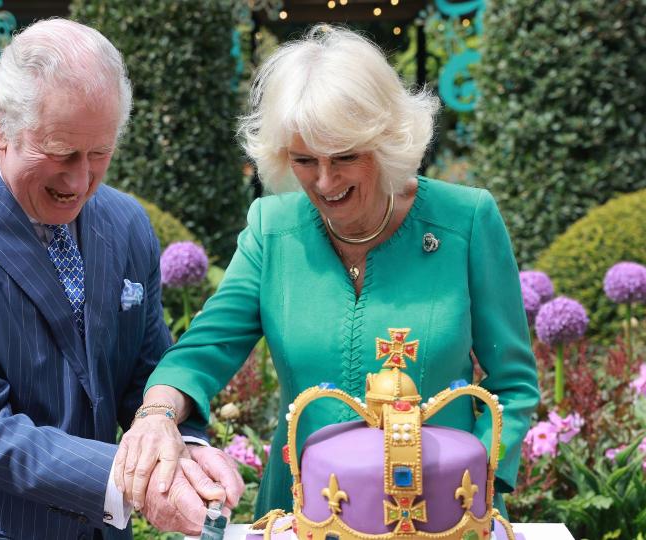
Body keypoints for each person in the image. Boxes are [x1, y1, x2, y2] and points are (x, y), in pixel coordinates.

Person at [115, 25, 540, 519]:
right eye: (303, 160)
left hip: (443, 514)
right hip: (308, 513)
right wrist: (156, 415)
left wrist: (480, 475)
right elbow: (202, 351)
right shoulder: (272, 230)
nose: (324, 181)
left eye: (345, 157)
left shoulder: (465, 220)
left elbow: (512, 384)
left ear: (383, 141)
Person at [0, 18, 240, 539]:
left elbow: (146, 375)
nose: (79, 181)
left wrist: (184, 448)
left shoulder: (126, 224)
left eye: (99, 154)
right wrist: (138, 482)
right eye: (60, 153)